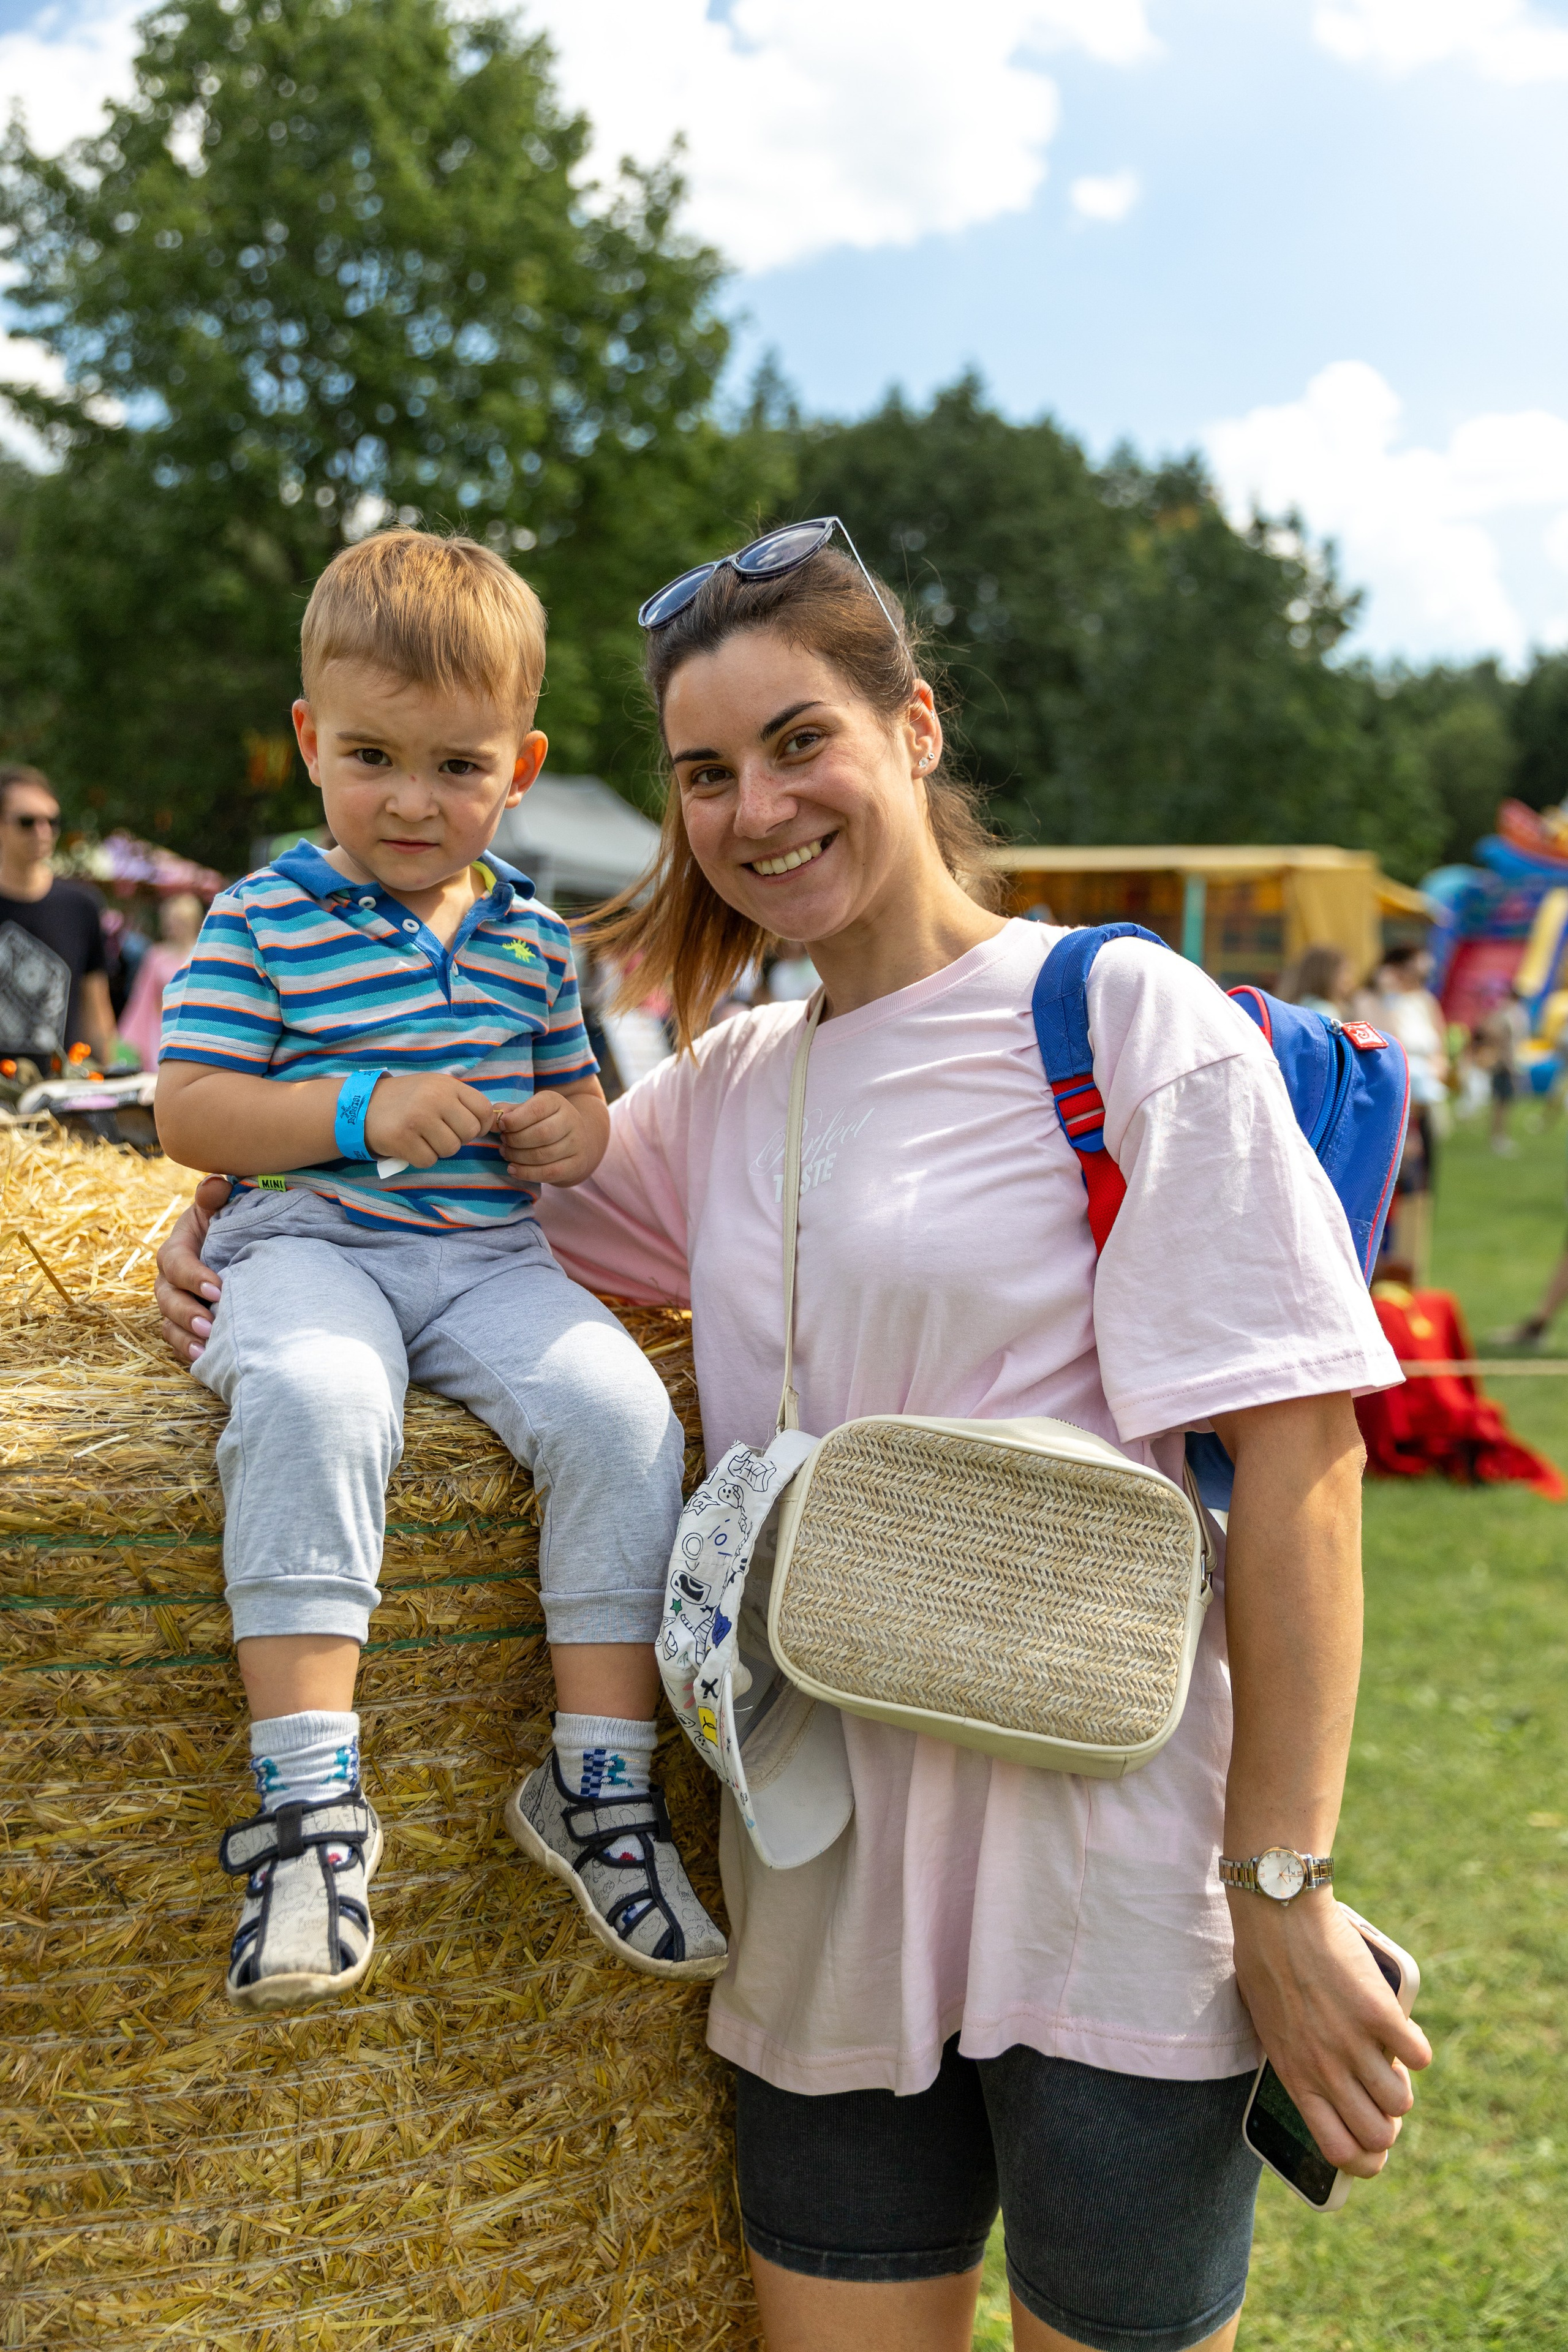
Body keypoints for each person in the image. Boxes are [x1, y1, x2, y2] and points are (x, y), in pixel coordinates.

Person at [159, 527, 1431, 2351]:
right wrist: (213, 1211)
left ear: (914, 726)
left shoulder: (1118, 1016)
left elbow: (1303, 1458)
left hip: (1117, 1887)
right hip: (815, 1880)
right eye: (702, 774)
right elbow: (449, 1225)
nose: (752, 808)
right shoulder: (728, 1085)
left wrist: (1282, 1887)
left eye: (797, 740)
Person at [154, 529, 723, 2015]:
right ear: (308, 742)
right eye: (372, 756)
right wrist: (356, 1110)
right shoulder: (263, 916)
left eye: (458, 765)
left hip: (484, 1254)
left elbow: (583, 1110)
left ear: (521, 764)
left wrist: (563, 1129)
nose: (414, 799)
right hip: (310, 1244)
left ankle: (597, 1785)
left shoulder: (537, 942)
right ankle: (307, 1811)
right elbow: (188, 1109)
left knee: (622, 1418)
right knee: (322, 1395)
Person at [0, 764, 120, 1063]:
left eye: (52, 821)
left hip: (58, 1096)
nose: (42, 832)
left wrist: (104, 1088)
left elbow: (97, 1012)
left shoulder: (81, 906)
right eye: (27, 822)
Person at [117, 890, 206, 1070]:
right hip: (162, 1027)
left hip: (196, 1026)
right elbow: (143, 998)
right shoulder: (156, 956)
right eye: (170, 920)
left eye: (178, 921)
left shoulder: (204, 954)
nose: (173, 926)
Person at [1287, 941, 1351, 1020]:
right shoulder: (1326, 1011)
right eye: (1344, 971)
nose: (1348, 978)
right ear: (1328, 975)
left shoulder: (1299, 1003)